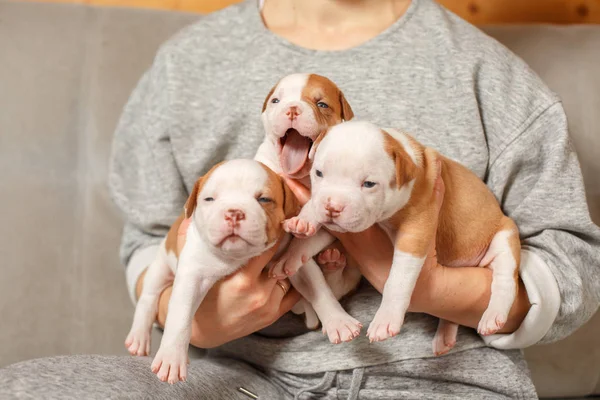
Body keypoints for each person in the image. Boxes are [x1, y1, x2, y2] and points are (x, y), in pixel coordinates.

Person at [2, 0, 599, 399]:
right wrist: (193, 320)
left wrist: (424, 286)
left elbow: (574, 264)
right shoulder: (186, 65)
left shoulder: (485, 70)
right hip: (227, 373)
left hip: (436, 378)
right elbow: (151, 232)